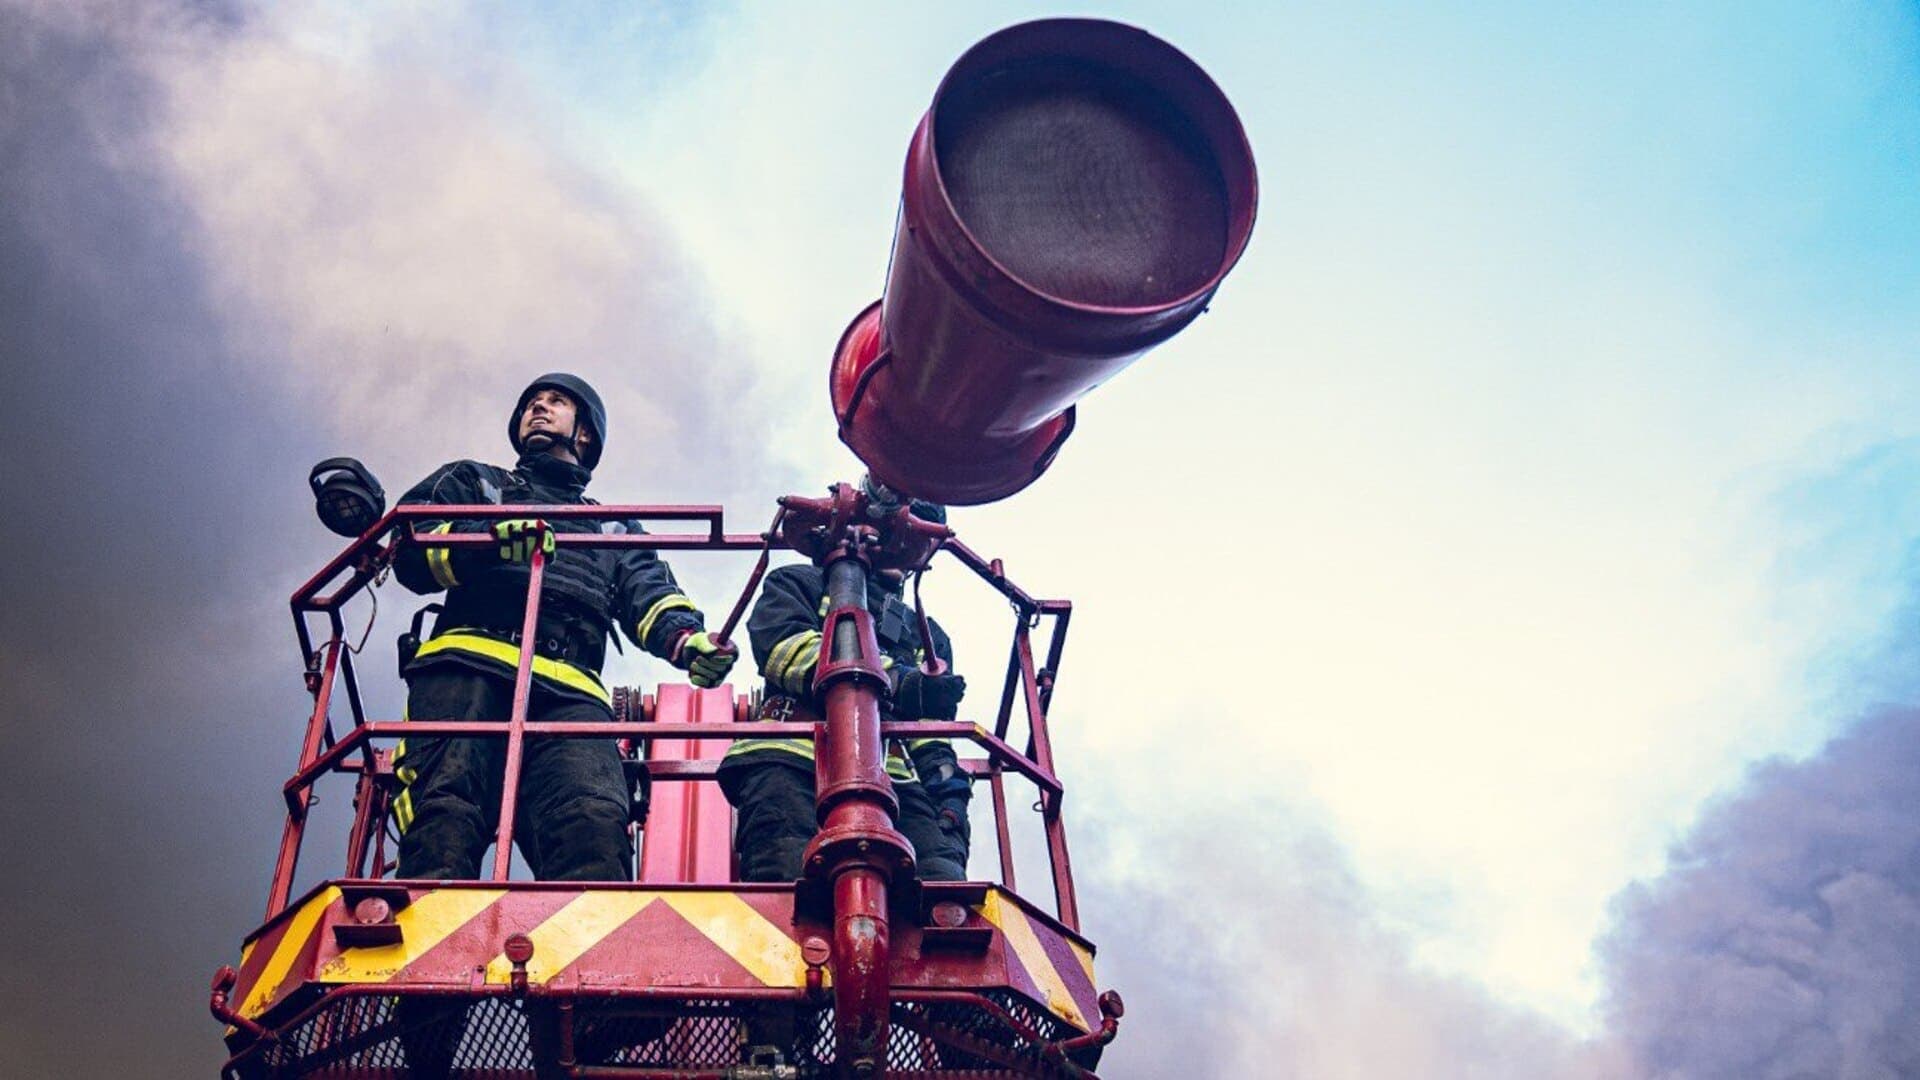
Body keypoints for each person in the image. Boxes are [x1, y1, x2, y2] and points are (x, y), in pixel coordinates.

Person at [388, 372, 738, 883]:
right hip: (467, 669)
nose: (539, 408)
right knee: (443, 810)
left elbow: (649, 592)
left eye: (555, 401)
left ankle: (593, 935)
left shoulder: (612, 527)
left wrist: (688, 639)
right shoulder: (477, 484)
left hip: (570, 696)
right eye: (532, 402)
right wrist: (486, 541)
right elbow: (410, 547)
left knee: (593, 823)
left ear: (585, 432)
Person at [717, 496, 972, 883]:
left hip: (892, 781)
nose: (900, 544)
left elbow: (929, 733)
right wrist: (897, 681)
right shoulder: (799, 583)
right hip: (790, 758)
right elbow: (782, 648)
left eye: (915, 537)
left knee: (942, 883)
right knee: (785, 882)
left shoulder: (926, 633)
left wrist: (948, 794)